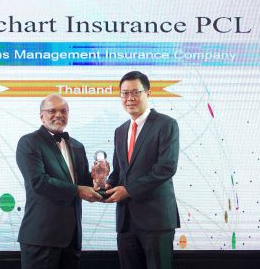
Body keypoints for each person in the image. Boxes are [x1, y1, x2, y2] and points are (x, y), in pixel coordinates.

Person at [16, 94, 102, 269]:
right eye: (52, 111)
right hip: (41, 239)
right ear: (42, 116)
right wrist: (78, 190)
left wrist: (97, 180)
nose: (58, 115)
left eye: (63, 111)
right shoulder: (29, 142)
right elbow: (38, 182)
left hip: (72, 239)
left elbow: (83, 185)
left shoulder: (77, 146)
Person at [105, 71, 180, 269]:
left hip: (156, 220)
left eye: (135, 92)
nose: (129, 98)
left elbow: (166, 168)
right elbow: (119, 172)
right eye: (124, 93)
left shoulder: (166, 124)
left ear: (148, 93)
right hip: (126, 222)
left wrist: (128, 190)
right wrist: (105, 185)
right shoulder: (120, 131)